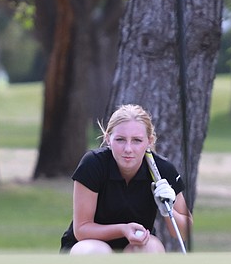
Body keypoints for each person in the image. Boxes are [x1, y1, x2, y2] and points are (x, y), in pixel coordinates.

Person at [60, 104, 191, 254]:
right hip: (88, 244)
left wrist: (168, 211)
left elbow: (185, 232)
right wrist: (123, 229)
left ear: (149, 141)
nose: (128, 149)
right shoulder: (93, 164)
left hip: (137, 244)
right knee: (97, 252)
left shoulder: (162, 170)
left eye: (137, 140)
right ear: (108, 139)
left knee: (150, 250)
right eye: (120, 140)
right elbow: (82, 229)